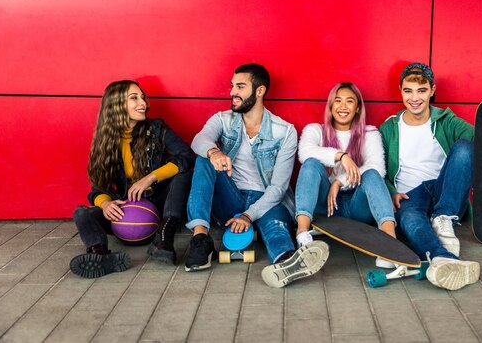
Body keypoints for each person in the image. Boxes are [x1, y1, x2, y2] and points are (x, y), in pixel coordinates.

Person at [185, 63, 329, 288]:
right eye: (232, 86)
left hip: (267, 199)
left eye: (240, 87)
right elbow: (198, 140)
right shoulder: (223, 119)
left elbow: (279, 188)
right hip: (230, 198)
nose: (233, 92)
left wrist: (248, 216)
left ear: (260, 91)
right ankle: (200, 239)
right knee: (204, 159)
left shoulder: (285, 131)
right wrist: (214, 152)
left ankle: (287, 263)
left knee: (275, 227)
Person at [380, 63, 482, 290]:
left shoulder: (446, 120)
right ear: (400, 90)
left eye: (421, 91)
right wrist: (390, 193)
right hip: (409, 197)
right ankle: (444, 259)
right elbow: (376, 169)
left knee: (464, 148)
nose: (414, 98)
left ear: (432, 90)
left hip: (444, 193)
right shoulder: (389, 128)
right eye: (408, 91)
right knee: (410, 219)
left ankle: (443, 218)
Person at [70, 80, 195, 278]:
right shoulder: (106, 141)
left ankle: (164, 238)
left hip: (160, 206)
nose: (142, 102)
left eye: (142, 97)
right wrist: (105, 204)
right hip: (126, 213)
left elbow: (186, 156)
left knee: (184, 173)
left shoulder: (156, 128)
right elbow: (97, 188)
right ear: (116, 104)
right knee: (81, 213)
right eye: (134, 98)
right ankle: (100, 254)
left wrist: (150, 178)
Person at [294, 82, 399, 268]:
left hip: (358, 205)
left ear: (357, 108)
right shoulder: (314, 130)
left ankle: (389, 243)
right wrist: (341, 156)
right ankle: (303, 236)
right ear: (331, 106)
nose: (343, 107)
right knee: (310, 164)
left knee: (373, 174)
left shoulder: (370, 133)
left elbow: (377, 167)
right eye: (338, 101)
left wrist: (339, 182)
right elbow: (304, 152)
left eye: (349, 101)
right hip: (325, 206)